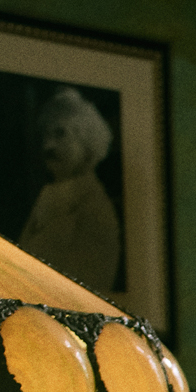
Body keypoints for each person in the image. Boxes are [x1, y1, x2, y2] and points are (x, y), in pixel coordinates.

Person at [18, 87, 121, 293]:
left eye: (60, 134)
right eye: (45, 135)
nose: (48, 146)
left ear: (86, 140)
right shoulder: (49, 197)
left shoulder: (94, 207)